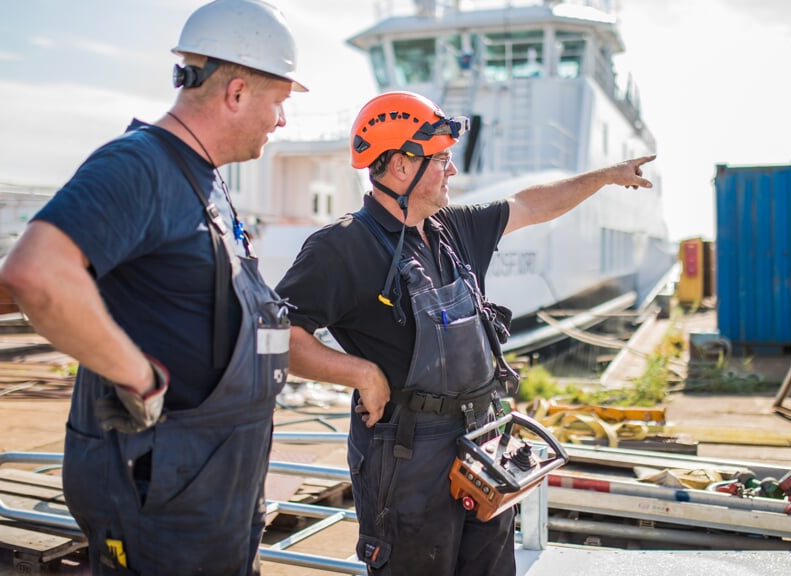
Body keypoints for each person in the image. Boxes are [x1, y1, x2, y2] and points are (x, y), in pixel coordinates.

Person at [274, 90, 654, 575]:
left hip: (480, 446)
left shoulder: (450, 229)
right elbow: (280, 337)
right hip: (407, 461)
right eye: (441, 160)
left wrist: (604, 177)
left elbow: (530, 205)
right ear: (399, 167)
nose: (452, 171)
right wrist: (361, 373)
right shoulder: (342, 247)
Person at [0, 0, 306, 573]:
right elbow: (36, 273)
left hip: (213, 492)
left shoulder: (203, 179)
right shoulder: (140, 165)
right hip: (160, 492)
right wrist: (138, 376)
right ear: (236, 93)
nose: (282, 121)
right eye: (279, 102)